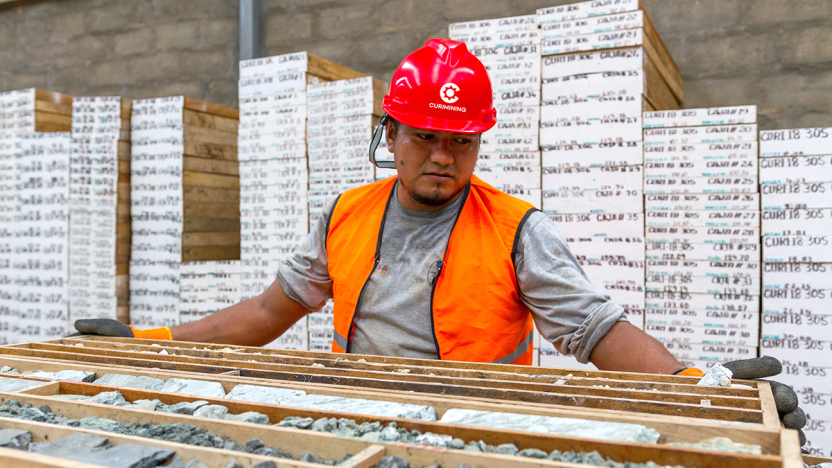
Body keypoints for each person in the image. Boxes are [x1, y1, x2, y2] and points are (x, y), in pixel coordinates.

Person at [75, 38, 806, 443]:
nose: (442, 157)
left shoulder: (516, 229)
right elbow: (267, 313)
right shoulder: (346, 215)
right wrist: (149, 340)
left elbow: (596, 330)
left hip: (478, 434)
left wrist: (695, 389)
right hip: (355, 426)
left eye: (461, 141)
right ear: (391, 134)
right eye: (425, 136)